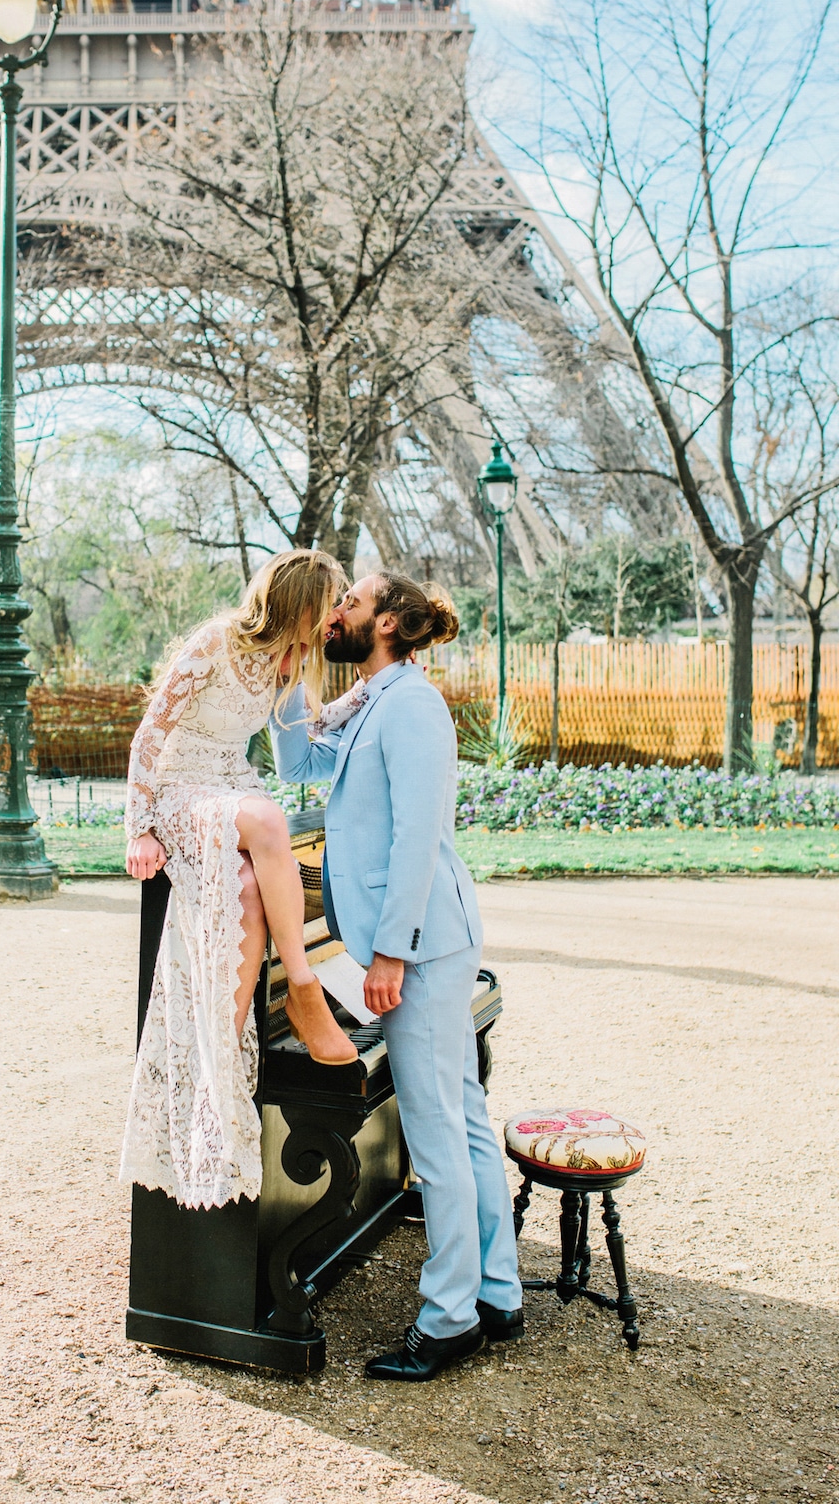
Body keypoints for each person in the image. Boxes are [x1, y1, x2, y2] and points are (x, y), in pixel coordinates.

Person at [270, 571, 524, 1378]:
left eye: (347, 603)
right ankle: (497, 1291)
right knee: (465, 1115)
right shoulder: (369, 700)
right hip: (424, 941)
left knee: (438, 1127)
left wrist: (389, 954)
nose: (334, 612)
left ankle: (450, 1318)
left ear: (385, 620)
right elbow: (299, 762)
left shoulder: (411, 707)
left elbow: (420, 834)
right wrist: (290, 668)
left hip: (421, 946)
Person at [120, 549, 358, 1212]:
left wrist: (376, 701)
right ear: (298, 603)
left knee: (252, 887)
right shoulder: (214, 643)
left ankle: (219, 1065)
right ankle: (304, 986)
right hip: (180, 792)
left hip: (231, 790)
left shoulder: (291, 665)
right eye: (329, 603)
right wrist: (138, 827)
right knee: (267, 820)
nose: (336, 616)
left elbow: (309, 740)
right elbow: (150, 733)